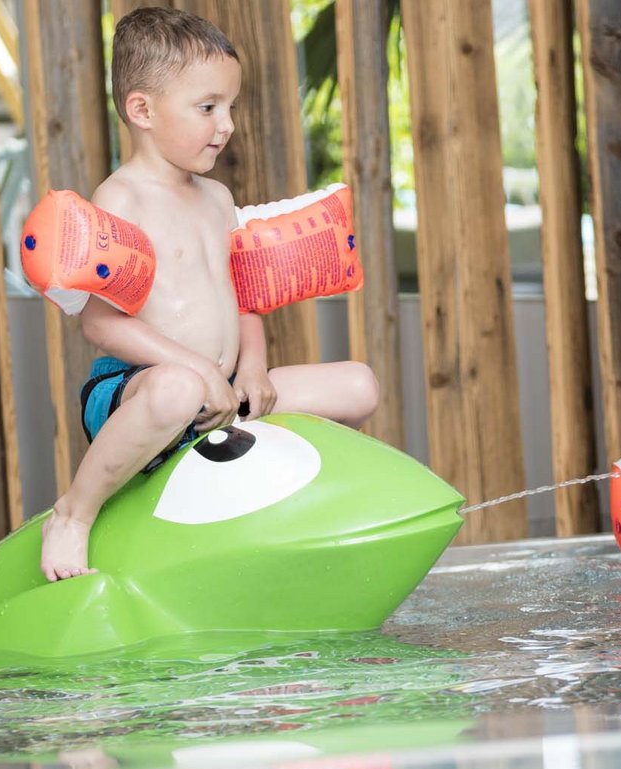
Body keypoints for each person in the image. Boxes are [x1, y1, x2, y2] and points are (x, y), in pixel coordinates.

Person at [39, 7, 379, 582]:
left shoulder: (218, 199)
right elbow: (99, 324)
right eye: (207, 108)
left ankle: (289, 504)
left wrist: (254, 367)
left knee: (358, 386)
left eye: (230, 107)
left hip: (224, 393)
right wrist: (197, 368)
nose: (226, 125)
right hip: (139, 392)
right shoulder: (121, 200)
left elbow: (241, 293)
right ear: (142, 110)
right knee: (175, 389)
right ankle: (74, 514)